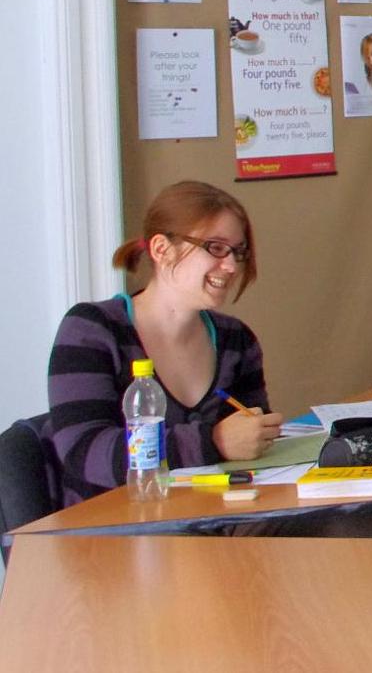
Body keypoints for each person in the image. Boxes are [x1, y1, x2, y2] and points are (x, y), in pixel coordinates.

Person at [44, 181, 284, 507]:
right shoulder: (92, 329)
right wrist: (213, 441)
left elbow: (251, 450)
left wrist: (258, 437)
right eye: (215, 248)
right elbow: (83, 451)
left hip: (213, 516)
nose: (231, 266)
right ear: (161, 249)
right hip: (114, 525)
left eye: (238, 252)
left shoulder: (237, 340)